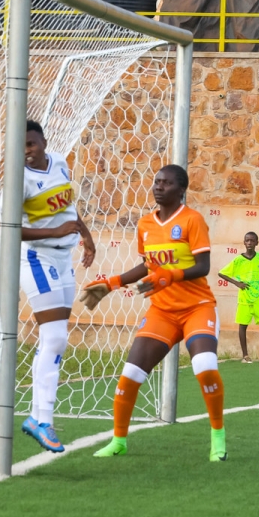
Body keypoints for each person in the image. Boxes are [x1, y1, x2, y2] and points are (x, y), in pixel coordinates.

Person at [85, 165, 227, 461]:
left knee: (204, 366)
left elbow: (203, 267)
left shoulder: (192, 220)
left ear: (181, 189)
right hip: (162, 311)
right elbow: (147, 266)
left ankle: (217, 438)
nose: (158, 187)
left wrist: (172, 275)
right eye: (156, 182)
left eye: (166, 183)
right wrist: (112, 283)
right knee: (130, 375)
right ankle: (119, 441)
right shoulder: (146, 224)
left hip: (197, 308)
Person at [19, 120, 97, 453]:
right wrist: (53, 233)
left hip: (63, 261)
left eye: (31, 145)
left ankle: (35, 416)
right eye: (21, 147)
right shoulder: (18, 179)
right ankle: (44, 421)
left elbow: (69, 208)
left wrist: (86, 235)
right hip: (36, 258)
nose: (26, 152)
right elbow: (11, 228)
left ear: (44, 142)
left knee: (56, 338)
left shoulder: (61, 164)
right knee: (54, 337)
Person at [218, 232, 259, 364]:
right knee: (243, 325)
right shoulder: (238, 260)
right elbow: (221, 273)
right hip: (244, 298)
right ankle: (245, 355)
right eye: (247, 240)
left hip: (258, 298)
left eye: (252, 240)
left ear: (257, 242)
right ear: (244, 243)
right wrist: (237, 283)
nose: (249, 243)